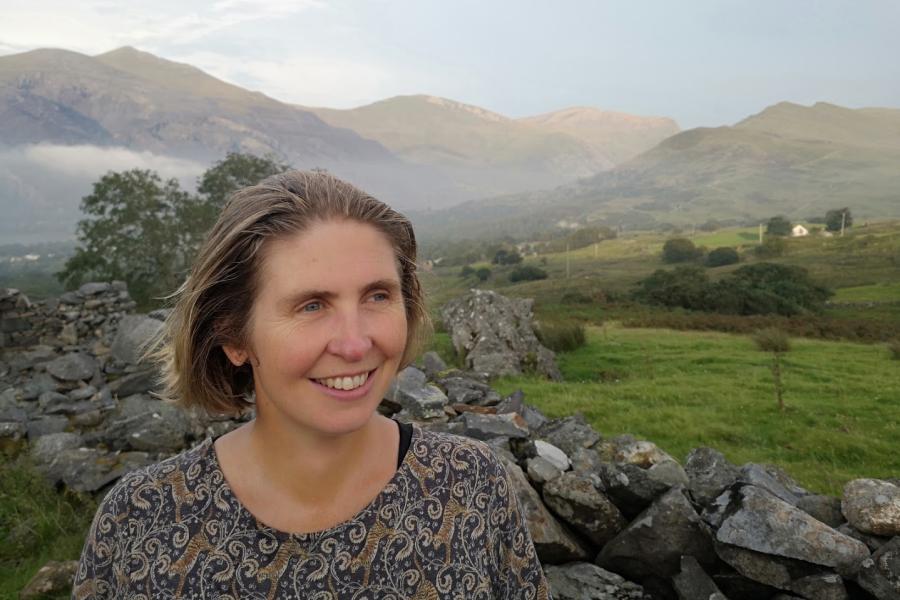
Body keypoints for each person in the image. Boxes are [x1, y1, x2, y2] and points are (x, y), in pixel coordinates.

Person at [73, 170, 551, 599]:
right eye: (311, 306)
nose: (354, 342)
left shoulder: (470, 485)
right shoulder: (141, 518)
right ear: (233, 337)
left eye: (378, 295)